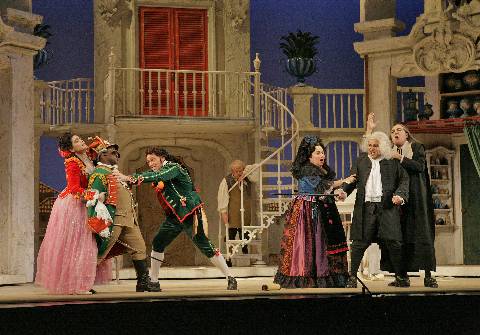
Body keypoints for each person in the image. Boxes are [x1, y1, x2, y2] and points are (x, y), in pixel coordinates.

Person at [119, 146, 237, 290]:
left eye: (153, 160)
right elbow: (151, 175)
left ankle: (230, 277)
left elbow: (156, 176)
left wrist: (128, 177)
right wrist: (123, 179)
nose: (150, 164)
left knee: (205, 246)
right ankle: (154, 282)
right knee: (158, 243)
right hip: (174, 217)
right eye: (148, 161)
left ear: (162, 158)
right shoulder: (161, 171)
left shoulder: (173, 167)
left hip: (190, 213)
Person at [366, 114, 438, 288]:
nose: (395, 133)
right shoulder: (389, 152)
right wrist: (370, 131)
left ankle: (428, 275)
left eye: (399, 130)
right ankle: (401, 276)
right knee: (398, 238)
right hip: (395, 201)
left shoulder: (416, 147)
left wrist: (400, 158)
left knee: (420, 235)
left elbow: (419, 167)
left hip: (415, 199)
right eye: (392, 131)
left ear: (407, 134)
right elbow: (370, 151)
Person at [273, 135, 354, 288]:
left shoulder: (321, 170)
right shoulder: (306, 169)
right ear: (309, 156)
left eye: (322, 152)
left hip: (321, 208)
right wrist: (345, 181)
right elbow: (322, 186)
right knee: (308, 242)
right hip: (307, 210)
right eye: (317, 153)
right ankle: (307, 275)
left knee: (322, 242)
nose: (322, 155)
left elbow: (325, 190)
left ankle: (325, 274)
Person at [35, 133, 111, 295]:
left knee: (89, 243)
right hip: (74, 205)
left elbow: (98, 147)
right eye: (77, 141)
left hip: (87, 203)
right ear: (70, 148)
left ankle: (83, 282)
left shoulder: (87, 155)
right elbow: (74, 189)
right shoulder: (72, 163)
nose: (82, 141)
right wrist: (95, 195)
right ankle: (74, 283)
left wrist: (101, 144)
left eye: (80, 139)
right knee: (77, 243)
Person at [86, 137, 159, 292]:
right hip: (114, 220)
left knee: (139, 248)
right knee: (101, 251)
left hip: (128, 219)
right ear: (102, 155)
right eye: (113, 152)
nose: (117, 155)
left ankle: (143, 282)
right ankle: (82, 282)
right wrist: (98, 214)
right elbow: (91, 197)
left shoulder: (114, 173)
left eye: (117, 152)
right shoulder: (99, 173)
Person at [343, 131, 410, 288]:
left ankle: (401, 277)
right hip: (365, 209)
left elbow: (404, 180)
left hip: (386, 208)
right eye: (370, 145)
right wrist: (344, 191)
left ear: (384, 146)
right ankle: (352, 278)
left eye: (375, 146)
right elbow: (352, 180)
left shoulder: (391, 162)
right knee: (359, 243)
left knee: (394, 243)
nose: (372, 149)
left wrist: (400, 196)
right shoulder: (361, 161)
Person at [217, 160, 258, 262]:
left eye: (241, 170)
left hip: (245, 212)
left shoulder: (247, 178)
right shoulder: (227, 181)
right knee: (231, 235)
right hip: (233, 212)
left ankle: (245, 248)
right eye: (237, 171)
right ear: (232, 171)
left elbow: (256, 167)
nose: (239, 173)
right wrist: (224, 214)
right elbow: (222, 199)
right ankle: (229, 258)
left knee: (245, 233)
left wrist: (245, 173)